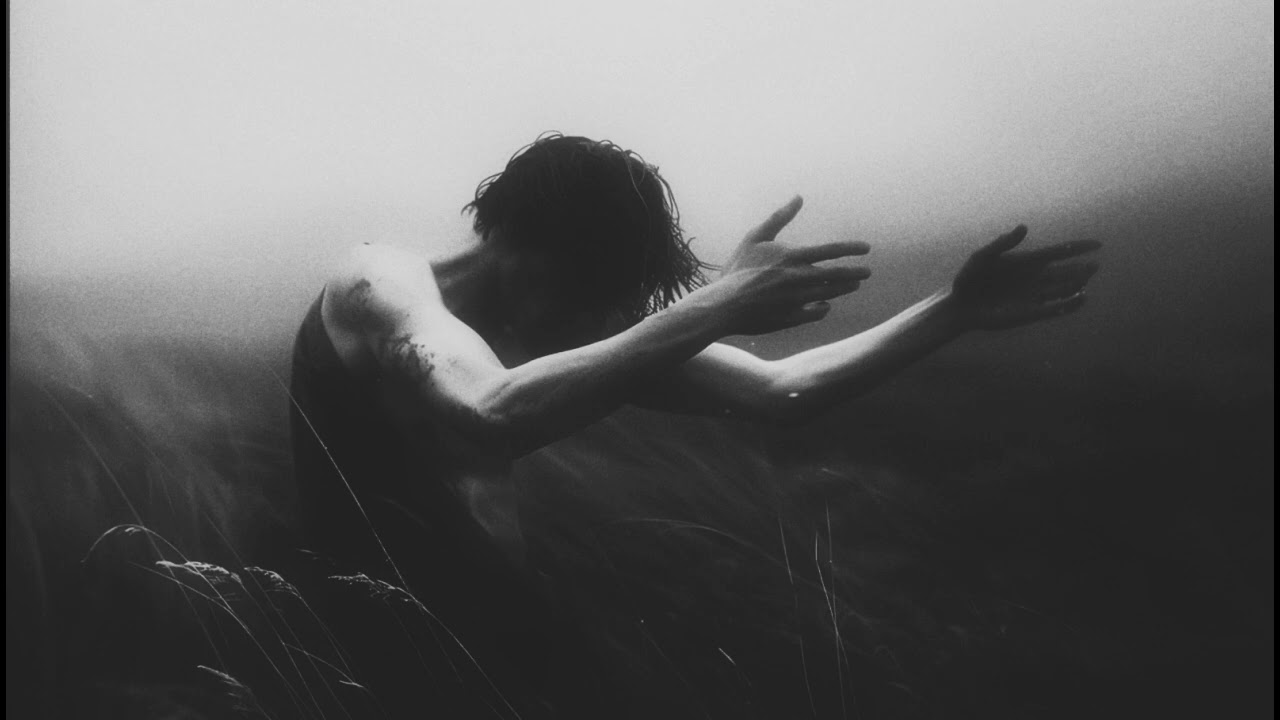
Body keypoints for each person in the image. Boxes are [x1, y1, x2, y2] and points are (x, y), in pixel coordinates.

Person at [287, 133, 1100, 717]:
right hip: (356, 624)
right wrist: (720, 304)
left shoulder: (568, 323)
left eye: (607, 296)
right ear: (511, 237)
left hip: (492, 621)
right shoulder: (377, 283)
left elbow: (782, 391)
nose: (587, 316)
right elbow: (489, 413)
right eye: (584, 285)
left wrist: (950, 312)